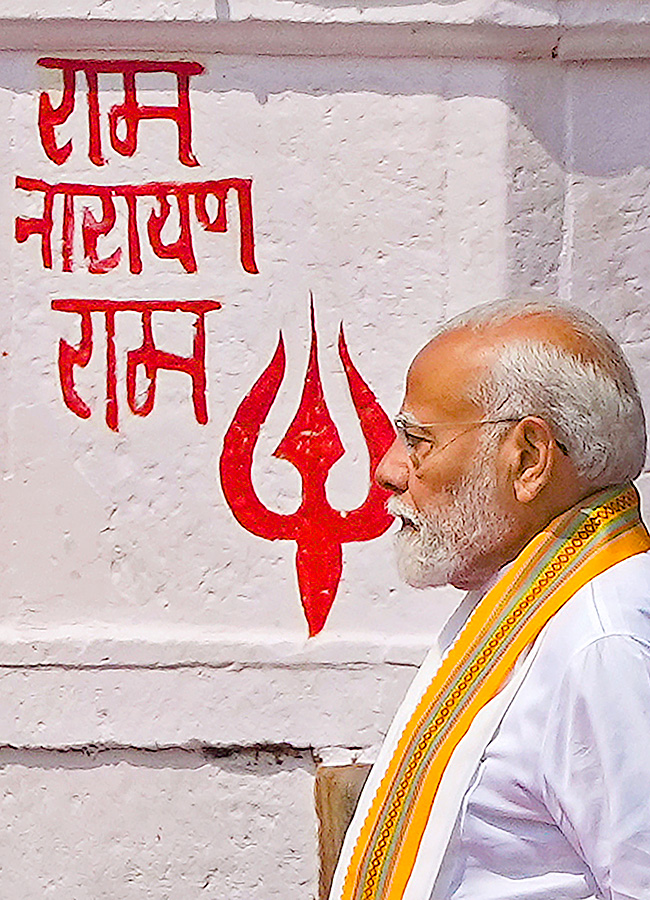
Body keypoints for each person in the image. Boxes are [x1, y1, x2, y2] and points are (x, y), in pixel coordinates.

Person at [328, 299, 650, 900]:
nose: (388, 470)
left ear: (528, 459)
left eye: (417, 440)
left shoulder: (604, 641)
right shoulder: (535, 599)